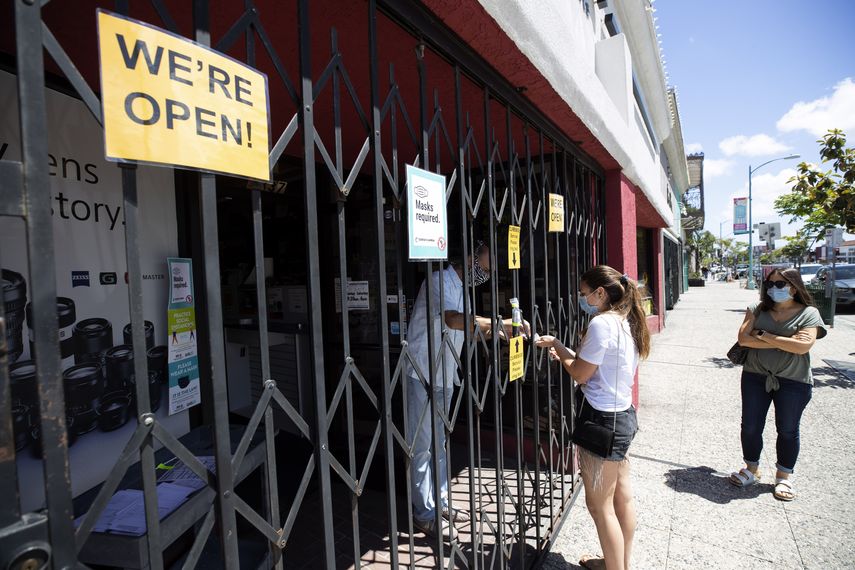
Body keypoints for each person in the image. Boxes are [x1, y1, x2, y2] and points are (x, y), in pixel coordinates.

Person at [404, 240, 530, 540]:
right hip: (423, 371)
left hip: (445, 374)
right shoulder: (438, 281)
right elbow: (453, 319)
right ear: (472, 255)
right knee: (422, 445)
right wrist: (500, 324)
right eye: (487, 263)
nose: (488, 270)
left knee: (440, 442)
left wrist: (502, 332)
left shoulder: (462, 289)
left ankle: (442, 501)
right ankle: (424, 513)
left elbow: (470, 328)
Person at [535, 265, 650, 570]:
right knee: (622, 498)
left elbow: (582, 374)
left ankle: (615, 567)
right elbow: (596, 366)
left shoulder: (602, 324)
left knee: (600, 507)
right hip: (623, 416)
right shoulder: (628, 321)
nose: (581, 299)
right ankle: (618, 562)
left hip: (601, 422)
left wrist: (560, 350)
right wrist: (564, 350)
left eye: (584, 293)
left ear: (601, 293)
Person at [729, 268, 825, 501]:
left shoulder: (808, 313)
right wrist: (787, 341)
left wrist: (763, 335)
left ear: (794, 286)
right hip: (755, 376)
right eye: (770, 284)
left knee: (788, 429)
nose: (774, 288)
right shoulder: (756, 309)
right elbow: (743, 339)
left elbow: (803, 347)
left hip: (794, 380)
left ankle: (783, 477)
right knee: (750, 425)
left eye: (780, 284)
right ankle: (751, 470)